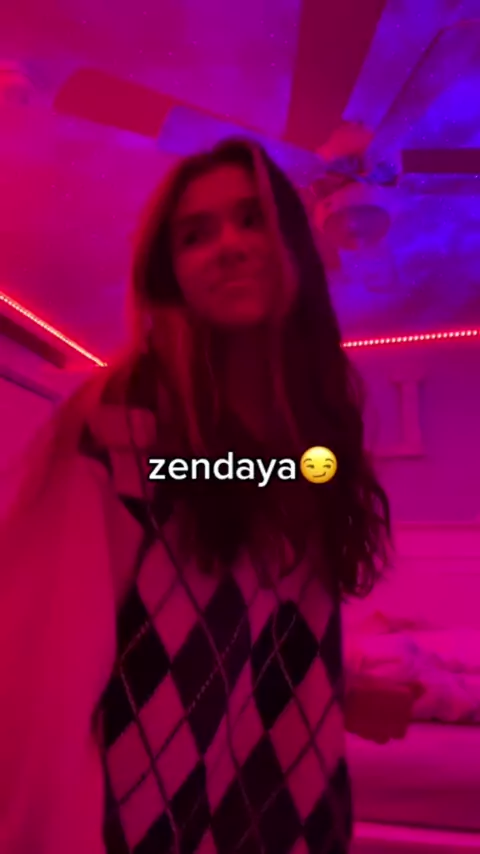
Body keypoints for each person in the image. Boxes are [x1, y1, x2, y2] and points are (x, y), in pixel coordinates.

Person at [0, 138, 415, 854]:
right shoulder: (124, 421)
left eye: (252, 219)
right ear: (170, 274)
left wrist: (341, 687)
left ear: (293, 243)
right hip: (150, 819)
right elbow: (45, 678)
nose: (228, 247)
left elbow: (261, 602)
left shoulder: (306, 432)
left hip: (292, 803)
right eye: (195, 235)